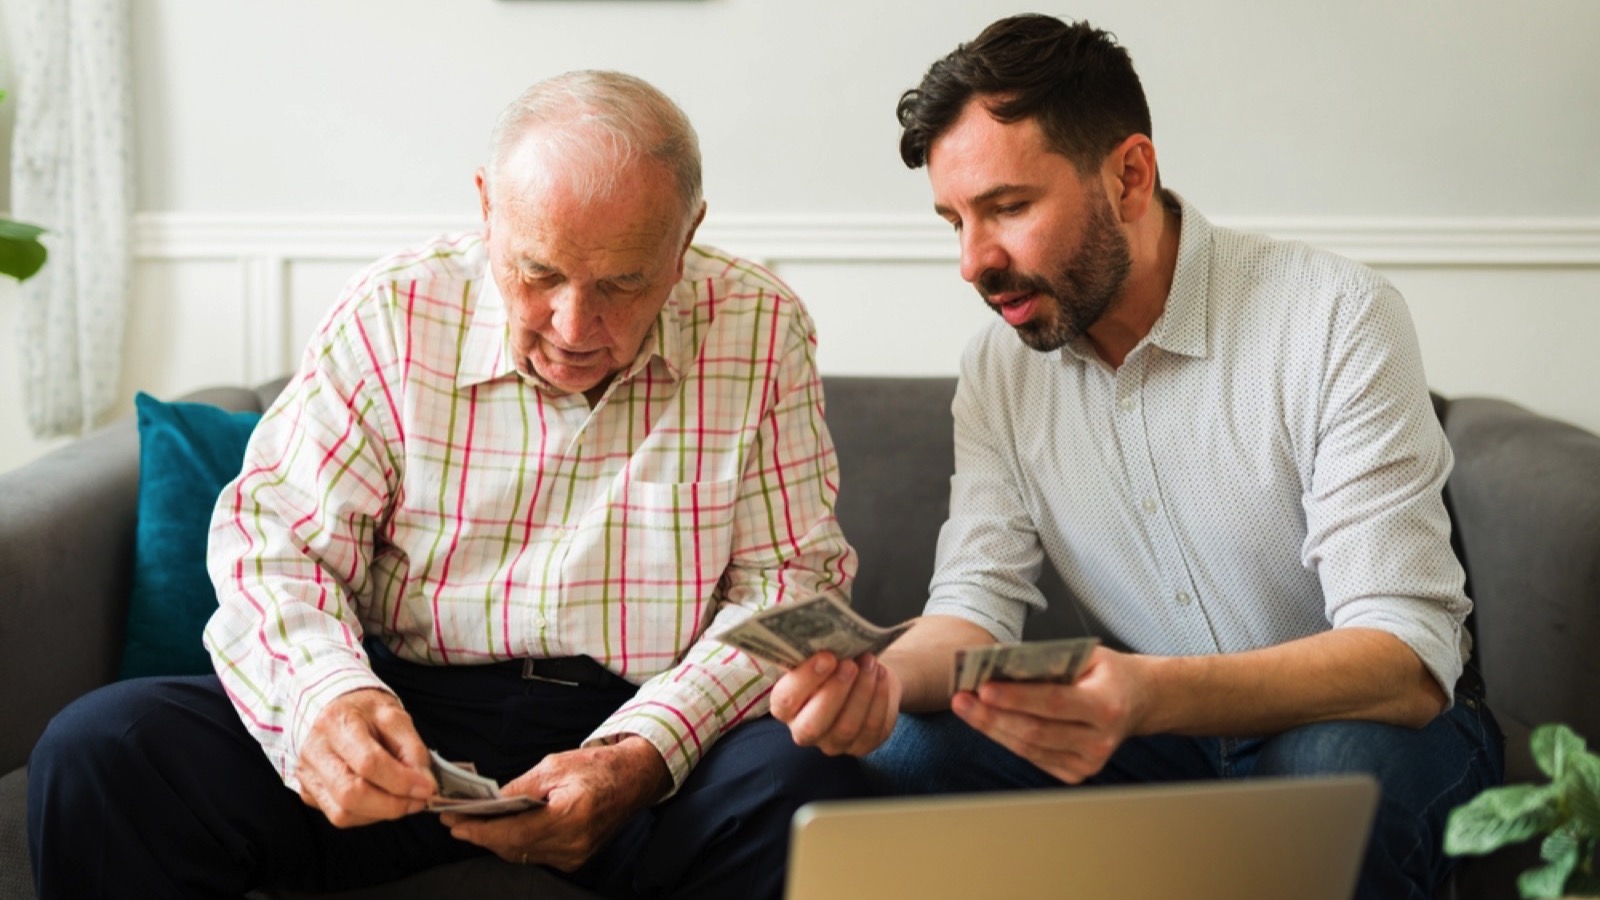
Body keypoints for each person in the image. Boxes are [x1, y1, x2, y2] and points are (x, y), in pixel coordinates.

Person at [28, 70, 868, 900]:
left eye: (622, 283)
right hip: (410, 718)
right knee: (105, 748)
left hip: (649, 729)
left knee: (805, 787)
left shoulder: (759, 325)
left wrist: (645, 754)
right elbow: (274, 537)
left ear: (685, 239)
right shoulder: (392, 312)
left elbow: (791, 586)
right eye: (539, 273)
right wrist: (329, 698)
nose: (575, 327)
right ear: (487, 210)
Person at [769, 15, 1503, 899]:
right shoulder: (1000, 371)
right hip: (1163, 744)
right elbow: (972, 610)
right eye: (954, 220)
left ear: (1128, 176)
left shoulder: (1334, 317)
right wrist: (874, 681)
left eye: (1007, 208)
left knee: (1336, 763)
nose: (973, 262)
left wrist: (1147, 693)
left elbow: (1405, 660)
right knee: (909, 740)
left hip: (1366, 726)